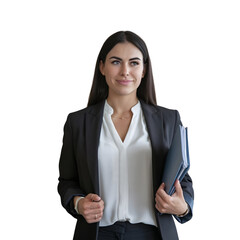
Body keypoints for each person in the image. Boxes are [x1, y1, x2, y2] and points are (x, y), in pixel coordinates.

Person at [58, 31, 194, 240]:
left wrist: (182, 207)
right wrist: (79, 202)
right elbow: (67, 181)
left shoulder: (169, 120)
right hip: (97, 234)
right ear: (102, 67)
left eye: (133, 63)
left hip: (152, 234)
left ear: (144, 69)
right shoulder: (78, 123)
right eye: (115, 62)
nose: (125, 71)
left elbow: (182, 180)